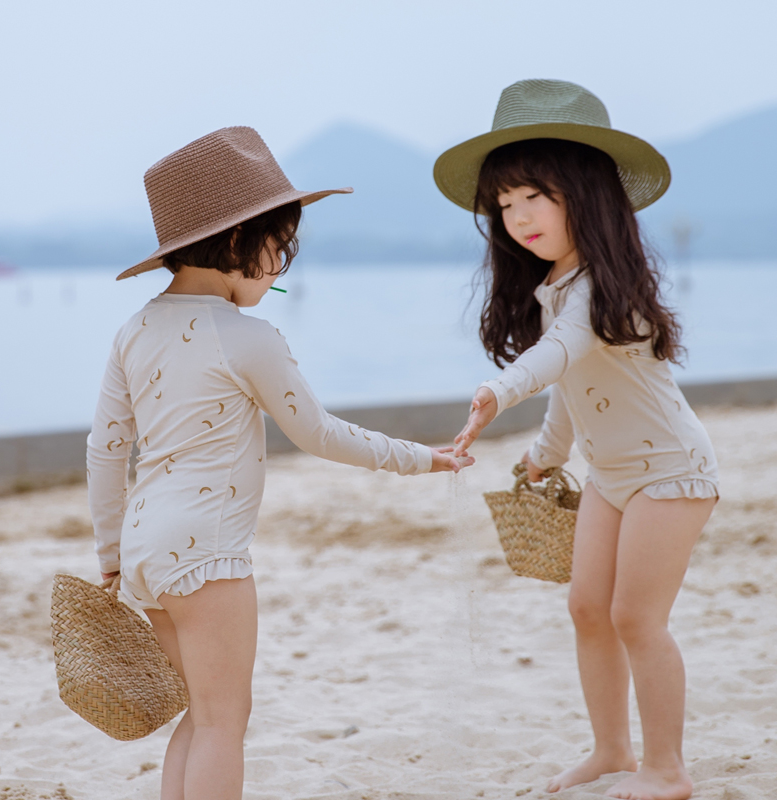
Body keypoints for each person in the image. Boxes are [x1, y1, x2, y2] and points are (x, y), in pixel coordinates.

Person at [86, 126, 474, 800]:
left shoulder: (133, 329)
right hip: (206, 553)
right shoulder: (248, 337)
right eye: (280, 248)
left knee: (197, 718)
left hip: (146, 548)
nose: (282, 267)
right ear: (241, 240)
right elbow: (319, 434)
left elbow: (106, 448)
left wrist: (110, 549)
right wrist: (424, 460)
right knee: (223, 723)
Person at [436, 80, 718, 800]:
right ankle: (611, 749)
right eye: (504, 204)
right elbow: (572, 389)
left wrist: (498, 390)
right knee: (587, 608)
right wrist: (544, 457)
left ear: (584, 193)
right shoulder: (555, 284)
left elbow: (560, 353)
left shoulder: (594, 288)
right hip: (611, 476)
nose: (518, 216)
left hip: (670, 473)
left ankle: (668, 770)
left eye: (535, 195)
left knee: (635, 617)